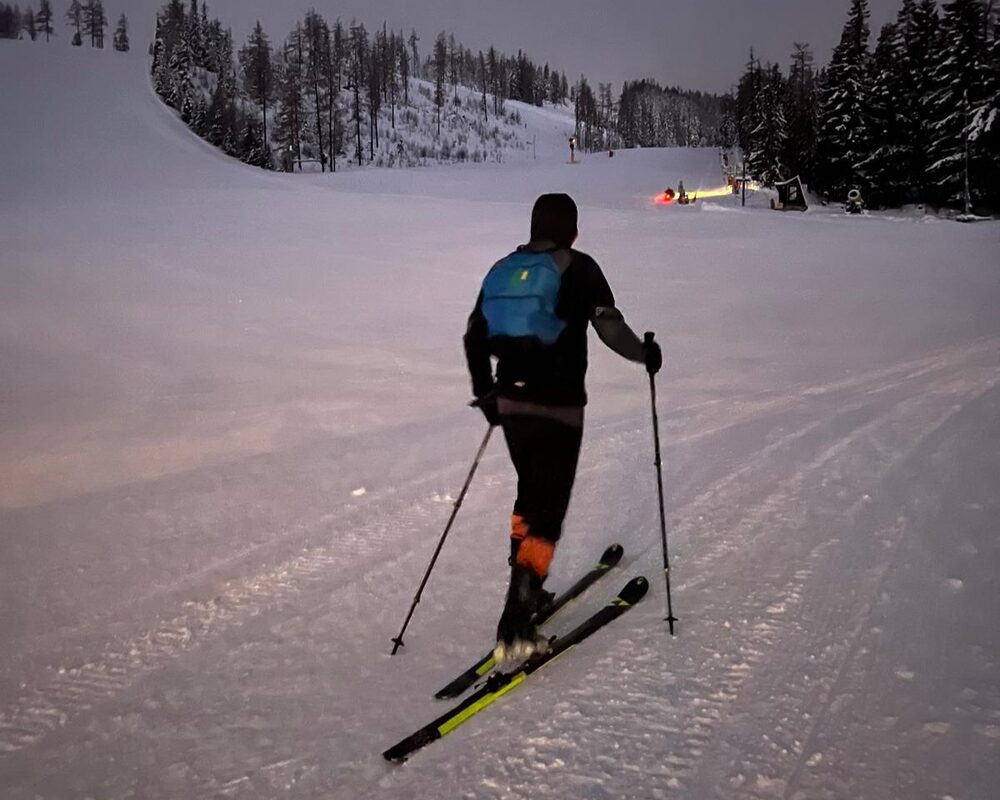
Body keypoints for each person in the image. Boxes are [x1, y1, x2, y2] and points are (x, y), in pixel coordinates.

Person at [463, 193, 662, 666]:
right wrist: (645, 355)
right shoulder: (580, 266)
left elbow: (474, 334)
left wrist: (487, 392)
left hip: (511, 403)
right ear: (572, 230)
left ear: (532, 226)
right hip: (559, 406)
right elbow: (609, 328)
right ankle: (517, 618)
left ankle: (527, 589)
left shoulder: (503, 267)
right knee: (548, 512)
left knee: (529, 494)